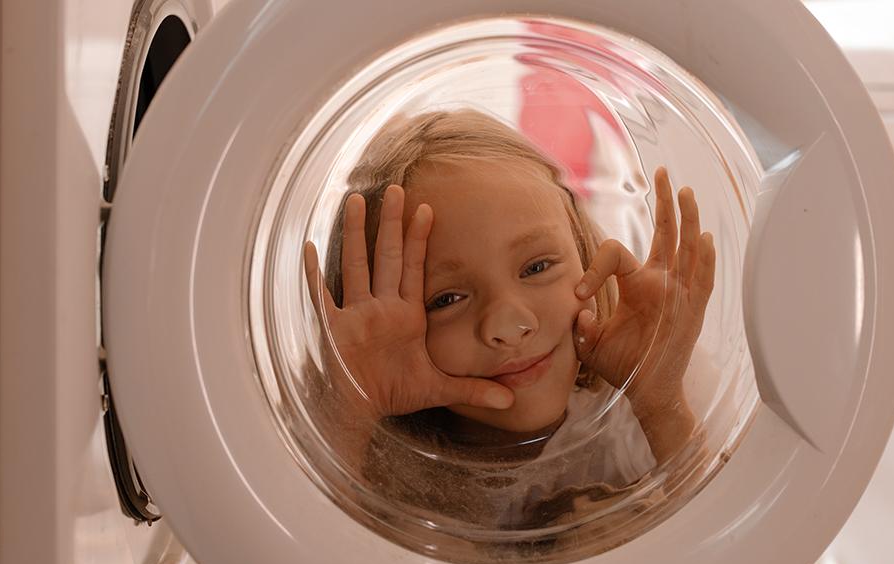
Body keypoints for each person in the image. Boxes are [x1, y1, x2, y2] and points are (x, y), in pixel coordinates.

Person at [301, 109, 715, 530]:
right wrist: (347, 410)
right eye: (445, 299)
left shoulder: (644, 398)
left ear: (581, 249)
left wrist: (660, 406)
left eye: (537, 267)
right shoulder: (376, 460)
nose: (509, 326)